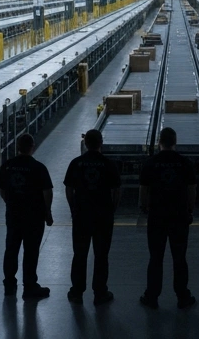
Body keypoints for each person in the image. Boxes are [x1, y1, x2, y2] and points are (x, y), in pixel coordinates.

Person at [139, 127, 197, 309]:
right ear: (175, 142)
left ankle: (152, 296)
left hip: (157, 217)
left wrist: (144, 207)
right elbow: (192, 189)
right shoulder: (185, 163)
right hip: (179, 216)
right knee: (179, 258)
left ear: (159, 142)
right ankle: (182, 296)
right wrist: (190, 209)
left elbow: (144, 190)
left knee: (155, 258)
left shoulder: (150, 163)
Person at [64, 128, 121, 305]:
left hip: (81, 215)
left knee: (80, 254)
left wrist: (73, 207)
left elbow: (68, 188)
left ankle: (77, 292)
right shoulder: (108, 163)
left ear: (85, 144)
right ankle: (100, 292)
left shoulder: (76, 163)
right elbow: (117, 190)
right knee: (101, 255)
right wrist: (113, 209)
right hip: (103, 215)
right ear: (101, 143)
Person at [0, 133, 54, 301]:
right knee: (31, 251)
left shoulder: (7, 166)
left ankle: (9, 285)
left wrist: (9, 201)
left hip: (13, 214)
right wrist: (47, 212)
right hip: (33, 216)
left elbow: (0, 188)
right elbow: (47, 192)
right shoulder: (38, 167)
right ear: (32, 147)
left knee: (11, 249)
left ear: (17, 147)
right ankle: (29, 287)